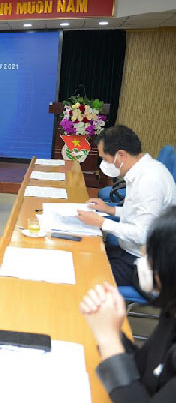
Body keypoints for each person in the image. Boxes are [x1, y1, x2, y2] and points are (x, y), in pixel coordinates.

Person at [79, 206, 176, 402]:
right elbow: (144, 370)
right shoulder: (171, 315)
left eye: (151, 257)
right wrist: (114, 332)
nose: (145, 264)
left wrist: (108, 339)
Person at [77, 125, 176, 286]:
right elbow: (139, 214)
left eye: (105, 159)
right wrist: (109, 210)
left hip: (144, 264)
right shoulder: (143, 171)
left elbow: (143, 233)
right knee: (83, 255)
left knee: (83, 276)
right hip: (131, 251)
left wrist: (102, 222)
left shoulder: (149, 181)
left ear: (121, 155)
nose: (104, 164)